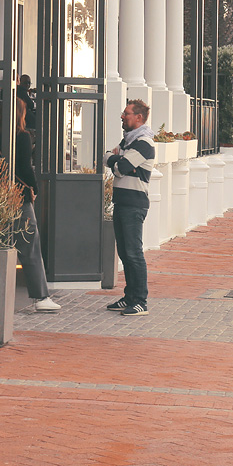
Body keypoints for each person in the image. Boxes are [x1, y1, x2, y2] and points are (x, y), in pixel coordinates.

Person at [0, 98, 60, 313]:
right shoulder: (23, 136)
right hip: (19, 197)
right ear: (21, 114)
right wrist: (34, 189)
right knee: (29, 245)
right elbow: (26, 168)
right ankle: (41, 297)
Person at [104, 99, 154, 316]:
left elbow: (121, 167)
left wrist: (118, 161)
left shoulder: (143, 143)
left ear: (138, 118)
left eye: (126, 114)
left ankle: (140, 301)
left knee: (134, 253)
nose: (122, 117)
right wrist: (118, 160)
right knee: (124, 253)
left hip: (134, 205)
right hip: (122, 202)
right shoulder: (128, 142)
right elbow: (107, 156)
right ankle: (130, 297)